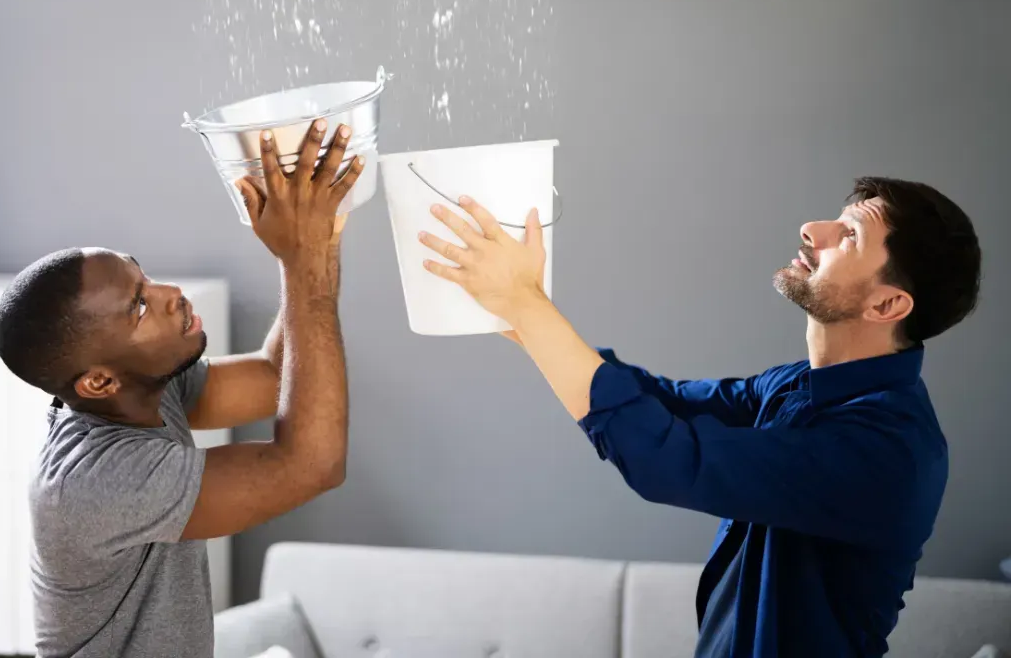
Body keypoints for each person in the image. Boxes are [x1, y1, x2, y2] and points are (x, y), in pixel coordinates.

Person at [418, 177, 981, 658]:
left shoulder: (886, 451)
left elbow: (668, 458)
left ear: (886, 305)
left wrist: (525, 304)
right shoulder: (796, 386)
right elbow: (660, 401)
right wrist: (523, 310)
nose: (813, 229)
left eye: (849, 234)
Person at [0, 118, 363, 658]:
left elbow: (271, 376)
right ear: (97, 380)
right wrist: (299, 259)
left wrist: (318, 235)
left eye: (143, 278)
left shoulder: (140, 387)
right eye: (139, 306)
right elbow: (312, 465)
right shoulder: (96, 484)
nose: (170, 294)